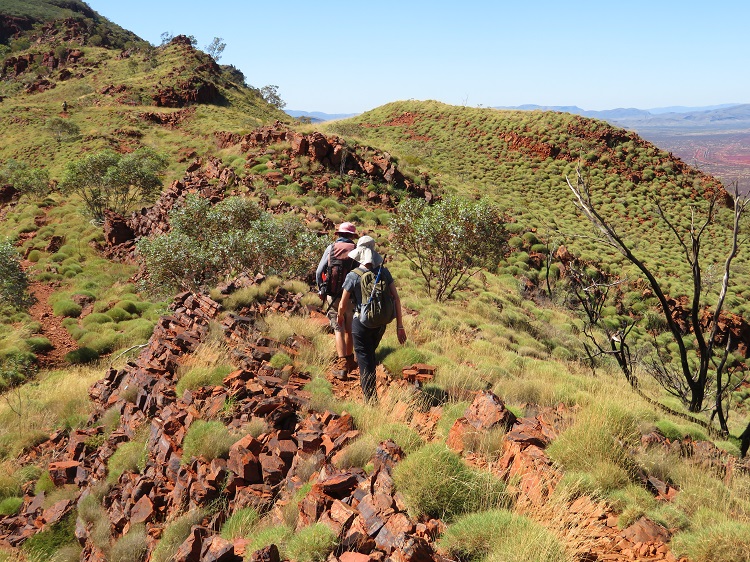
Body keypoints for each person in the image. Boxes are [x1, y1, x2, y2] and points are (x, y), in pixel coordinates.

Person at [337, 236, 407, 402]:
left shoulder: (353, 275)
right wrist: (400, 327)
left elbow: (342, 305)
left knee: (365, 362)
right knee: (369, 355)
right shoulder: (384, 272)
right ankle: (371, 393)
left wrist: (340, 317)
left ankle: (370, 401)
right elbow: (396, 299)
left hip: (360, 324)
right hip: (380, 323)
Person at [315, 222, 358, 372]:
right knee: (350, 328)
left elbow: (319, 271)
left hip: (332, 296)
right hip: (351, 297)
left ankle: (342, 365)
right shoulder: (356, 249)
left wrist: (322, 289)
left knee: (338, 328)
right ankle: (350, 359)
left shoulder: (331, 248)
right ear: (352, 236)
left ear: (339, 234)